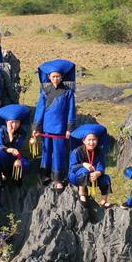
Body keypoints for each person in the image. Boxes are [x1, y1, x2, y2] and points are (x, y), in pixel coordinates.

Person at [33, 59, 77, 190]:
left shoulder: (68, 92)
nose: (55, 79)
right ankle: (45, 175)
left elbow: (71, 111)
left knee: (59, 152)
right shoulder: (45, 92)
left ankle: (58, 178)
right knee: (46, 151)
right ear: (49, 77)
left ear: (62, 77)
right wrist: (36, 127)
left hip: (61, 129)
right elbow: (40, 110)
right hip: (46, 129)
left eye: (58, 76)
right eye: (53, 77)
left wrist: (69, 128)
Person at [68, 123, 111, 207]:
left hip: (93, 177)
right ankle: (82, 193)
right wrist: (83, 164)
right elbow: (72, 167)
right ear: (83, 141)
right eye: (89, 140)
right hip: (76, 177)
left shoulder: (99, 151)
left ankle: (103, 200)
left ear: (97, 140)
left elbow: (101, 165)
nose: (91, 142)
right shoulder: (76, 152)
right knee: (84, 171)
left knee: (106, 178)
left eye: (94, 140)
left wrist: (98, 173)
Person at [0, 104, 30, 184]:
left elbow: (17, 147)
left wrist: (11, 135)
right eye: (12, 122)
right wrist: (8, 149)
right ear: (6, 122)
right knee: (1, 155)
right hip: (3, 156)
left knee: (25, 164)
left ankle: (17, 178)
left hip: (15, 156)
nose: (14, 125)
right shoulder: (1, 130)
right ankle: (4, 175)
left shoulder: (22, 133)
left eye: (17, 122)